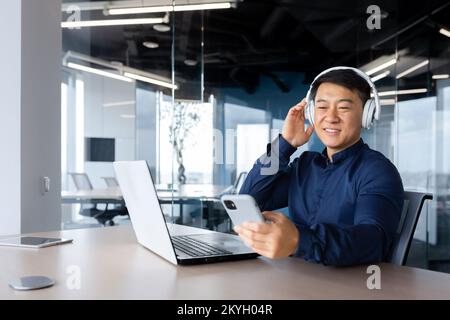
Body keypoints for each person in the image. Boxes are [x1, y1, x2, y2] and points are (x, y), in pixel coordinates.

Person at [235, 67, 404, 266]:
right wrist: (284, 144)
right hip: (297, 277)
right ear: (312, 113)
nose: (331, 117)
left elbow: (372, 241)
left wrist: (299, 240)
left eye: (343, 108)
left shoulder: (377, 171)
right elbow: (250, 199)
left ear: (367, 114)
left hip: (350, 287)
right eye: (322, 107)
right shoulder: (305, 165)